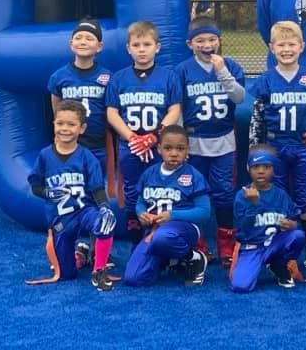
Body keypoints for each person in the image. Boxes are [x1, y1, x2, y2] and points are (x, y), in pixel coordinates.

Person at [25, 100, 118, 291]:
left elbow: (98, 188)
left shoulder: (86, 156)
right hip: (60, 220)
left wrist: (105, 208)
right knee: (67, 275)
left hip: (84, 211)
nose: (65, 129)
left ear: (82, 128)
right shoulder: (45, 156)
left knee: (104, 221)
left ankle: (99, 270)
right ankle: (82, 254)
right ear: (53, 124)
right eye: (60, 123)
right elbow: (35, 185)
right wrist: (47, 193)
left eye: (71, 124)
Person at [176, 17, 247, 265]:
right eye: (200, 40)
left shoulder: (231, 66)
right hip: (195, 140)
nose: (207, 44)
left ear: (219, 41)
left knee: (224, 193)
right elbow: (178, 107)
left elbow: (238, 98)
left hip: (224, 139)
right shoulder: (183, 70)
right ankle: (197, 240)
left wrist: (222, 72)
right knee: (194, 192)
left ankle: (226, 242)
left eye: (211, 39)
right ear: (190, 44)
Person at [105, 20, 183, 244]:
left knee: (162, 187)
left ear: (157, 47)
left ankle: (163, 238)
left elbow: (174, 109)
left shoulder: (168, 76)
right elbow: (112, 113)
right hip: (129, 144)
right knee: (131, 191)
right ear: (128, 48)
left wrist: (155, 136)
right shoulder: (119, 78)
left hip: (159, 144)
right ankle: (136, 241)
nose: (142, 49)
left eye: (146, 44)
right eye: (136, 45)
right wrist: (133, 138)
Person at [248, 21, 306, 220]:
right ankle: (278, 229)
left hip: (302, 144)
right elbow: (256, 119)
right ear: (271, 48)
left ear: (301, 46)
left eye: (291, 45)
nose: (286, 50)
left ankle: (305, 234)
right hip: (274, 143)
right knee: (274, 190)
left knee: (305, 190)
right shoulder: (266, 80)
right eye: (281, 45)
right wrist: (255, 149)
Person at [122, 125, 212, 287]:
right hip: (154, 230)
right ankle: (167, 259)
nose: (174, 153)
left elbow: (204, 212)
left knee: (163, 237)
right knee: (133, 278)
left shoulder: (193, 175)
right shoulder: (149, 173)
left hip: (185, 228)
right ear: (159, 149)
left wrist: (173, 215)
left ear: (187, 150)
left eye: (180, 148)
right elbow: (141, 201)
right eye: (168, 148)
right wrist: (141, 213)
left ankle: (193, 258)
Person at [229, 145, 306, 292]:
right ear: (248, 168)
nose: (261, 171)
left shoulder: (281, 195)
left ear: (274, 168)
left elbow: (297, 223)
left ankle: (278, 264)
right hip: (252, 246)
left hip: (275, 244)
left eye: (266, 166)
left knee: (297, 236)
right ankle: (253, 265)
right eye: (256, 166)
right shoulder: (242, 195)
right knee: (240, 287)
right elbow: (243, 229)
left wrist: (291, 225)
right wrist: (253, 205)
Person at [48, 19, 112, 174]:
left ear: (99, 47)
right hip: (69, 143)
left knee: (97, 187)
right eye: (78, 38)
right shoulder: (59, 77)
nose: (83, 42)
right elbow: (56, 109)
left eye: (89, 38)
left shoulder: (108, 77)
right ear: (71, 44)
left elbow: (112, 111)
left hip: (98, 145)